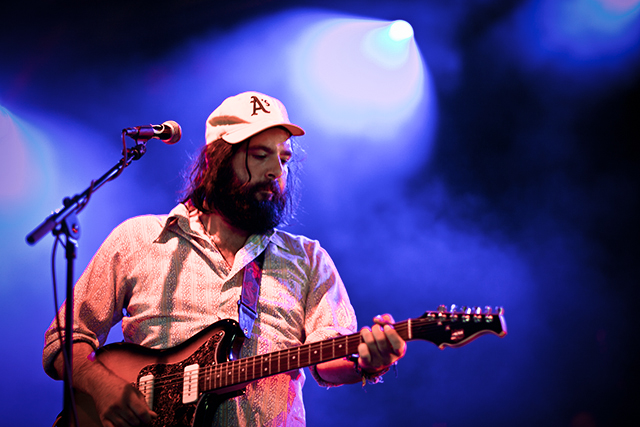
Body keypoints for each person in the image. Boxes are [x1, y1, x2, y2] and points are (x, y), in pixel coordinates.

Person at [43, 91, 407, 427]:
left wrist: (366, 360)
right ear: (215, 160)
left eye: (284, 158)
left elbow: (328, 361)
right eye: (260, 155)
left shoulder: (308, 259)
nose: (276, 172)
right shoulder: (139, 238)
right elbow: (64, 338)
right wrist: (101, 385)